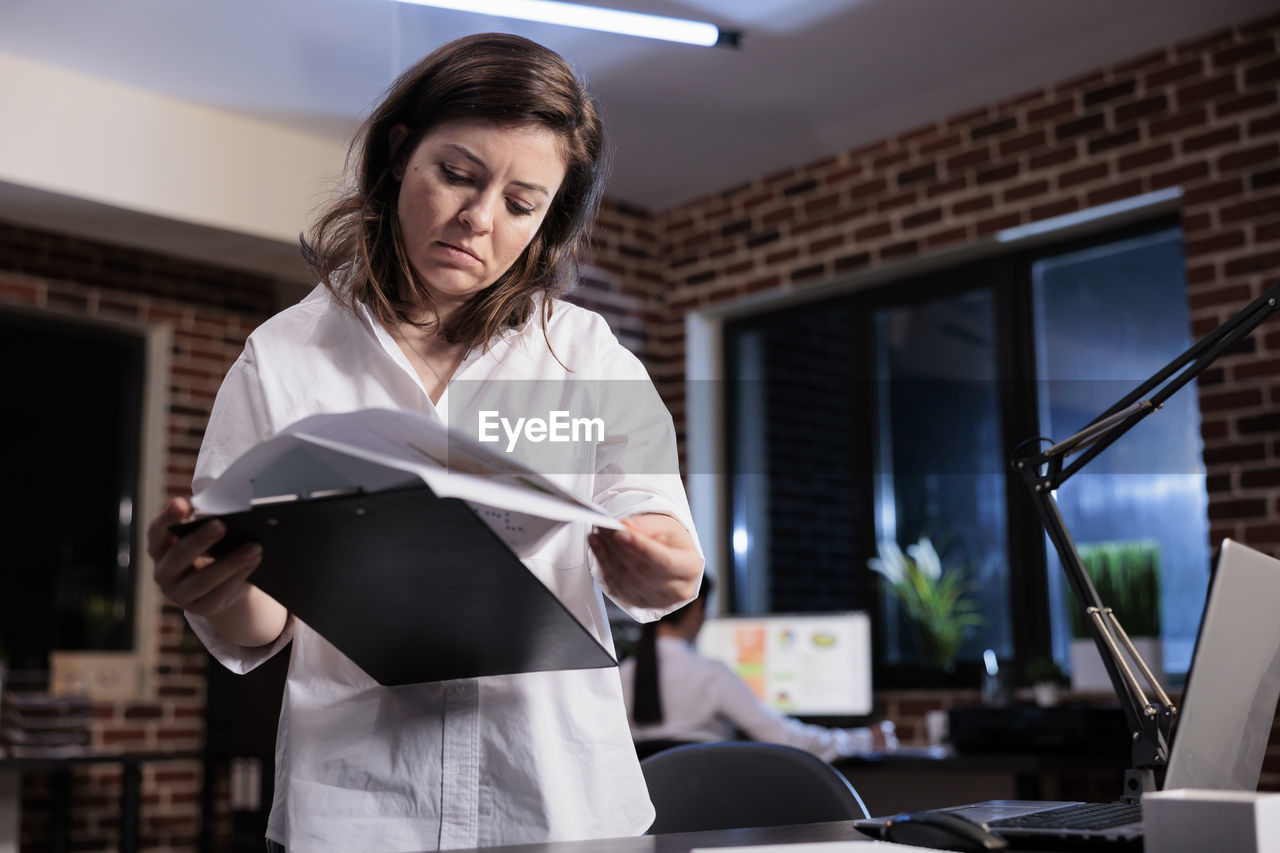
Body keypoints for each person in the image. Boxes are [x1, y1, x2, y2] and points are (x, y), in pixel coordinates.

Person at [146, 33, 703, 852]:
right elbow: (259, 623)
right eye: (458, 174)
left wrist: (663, 566)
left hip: (561, 804)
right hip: (358, 810)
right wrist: (213, 583)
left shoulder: (586, 356)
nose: (478, 219)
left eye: (521, 204)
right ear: (402, 152)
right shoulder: (284, 356)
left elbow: (668, 554)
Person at [620, 576, 897, 762]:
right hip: (710, 819)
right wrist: (863, 739)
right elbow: (786, 739)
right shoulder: (711, 675)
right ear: (698, 607)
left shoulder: (623, 675)